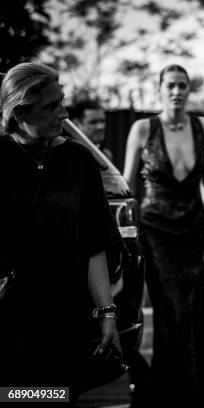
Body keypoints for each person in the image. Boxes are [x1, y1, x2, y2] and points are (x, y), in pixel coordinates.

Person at [0, 63, 122, 400]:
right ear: (19, 111)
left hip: (67, 317)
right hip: (11, 317)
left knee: (56, 396)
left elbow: (94, 244)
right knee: (14, 397)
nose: (64, 113)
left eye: (62, 101)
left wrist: (107, 311)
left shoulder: (77, 160)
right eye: (51, 106)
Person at [123, 64, 204, 407]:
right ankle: (169, 392)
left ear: (189, 90)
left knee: (196, 309)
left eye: (183, 86)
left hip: (193, 230)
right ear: (160, 89)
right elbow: (126, 186)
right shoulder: (142, 129)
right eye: (171, 85)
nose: (177, 91)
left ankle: (198, 386)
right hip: (155, 232)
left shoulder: (203, 127)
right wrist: (130, 236)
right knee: (171, 310)